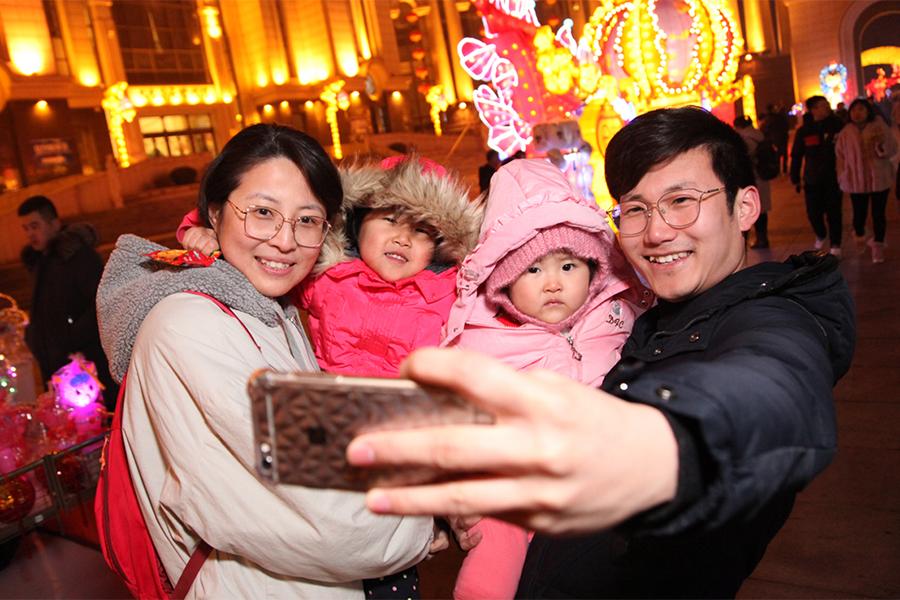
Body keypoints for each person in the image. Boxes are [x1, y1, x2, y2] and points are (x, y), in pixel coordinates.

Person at [346, 106, 855, 598]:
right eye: (636, 209)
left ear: (745, 206)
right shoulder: (643, 308)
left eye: (682, 201)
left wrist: (669, 442)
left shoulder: (772, 319)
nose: (656, 232)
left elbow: (776, 386)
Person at [96, 124, 437, 598]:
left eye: (307, 220)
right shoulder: (193, 326)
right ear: (214, 213)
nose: (284, 240)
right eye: (262, 213)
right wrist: (422, 519)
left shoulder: (271, 312)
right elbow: (335, 520)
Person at [177, 152, 480, 597]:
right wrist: (198, 230)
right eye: (389, 219)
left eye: (422, 230)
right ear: (356, 222)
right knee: (347, 559)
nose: (402, 238)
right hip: (335, 443)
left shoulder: (451, 291)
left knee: (398, 571)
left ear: (441, 245)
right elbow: (257, 246)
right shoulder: (327, 276)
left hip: (409, 444)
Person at [444, 159, 650, 599]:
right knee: (496, 539)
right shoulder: (481, 343)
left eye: (568, 266)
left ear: (595, 268)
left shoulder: (619, 313)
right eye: (533, 271)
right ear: (502, 283)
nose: (553, 283)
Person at [17, 195, 118, 409]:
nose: (29, 234)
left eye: (35, 226)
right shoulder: (41, 262)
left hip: (84, 366)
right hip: (57, 366)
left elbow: (99, 302)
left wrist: (70, 338)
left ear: (54, 223)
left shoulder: (77, 256)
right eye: (25, 228)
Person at [835, 97, 897, 263]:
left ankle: (878, 246)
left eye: (862, 109)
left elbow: (892, 149)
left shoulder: (879, 126)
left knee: (879, 214)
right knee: (858, 216)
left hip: (879, 178)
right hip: (856, 180)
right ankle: (860, 235)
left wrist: (880, 147)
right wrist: (842, 175)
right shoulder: (846, 132)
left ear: (868, 111)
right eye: (854, 110)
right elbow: (840, 157)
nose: (857, 113)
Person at [791, 95, 846, 256]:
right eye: (822, 105)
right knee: (813, 212)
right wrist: (795, 177)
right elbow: (797, 155)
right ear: (813, 109)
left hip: (834, 177)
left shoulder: (838, 126)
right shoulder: (805, 131)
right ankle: (821, 234)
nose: (826, 107)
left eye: (827, 104)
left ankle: (836, 244)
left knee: (834, 211)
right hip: (812, 178)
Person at [733, 115, 773, 248]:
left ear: (739, 127)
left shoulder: (745, 139)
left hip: (752, 177)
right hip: (762, 176)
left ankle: (760, 239)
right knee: (762, 209)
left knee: (753, 208)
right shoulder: (758, 134)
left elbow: (742, 159)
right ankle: (763, 238)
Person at [760, 103, 789, 173]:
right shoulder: (780, 117)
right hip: (782, 137)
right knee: (784, 153)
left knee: (777, 154)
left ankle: (778, 170)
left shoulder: (768, 119)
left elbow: (765, 129)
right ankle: (784, 169)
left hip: (774, 139)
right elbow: (786, 125)